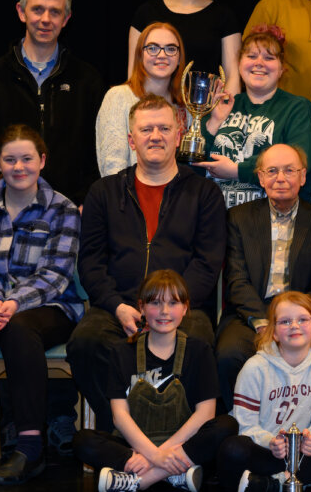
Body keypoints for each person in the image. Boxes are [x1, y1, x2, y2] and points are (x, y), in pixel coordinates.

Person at [69, 95, 226, 430]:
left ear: (179, 133)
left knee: (198, 340)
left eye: (164, 128)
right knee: (85, 342)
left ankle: (178, 442)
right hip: (119, 306)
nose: (156, 135)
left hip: (184, 308)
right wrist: (117, 306)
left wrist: (169, 307)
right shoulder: (103, 192)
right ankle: (124, 434)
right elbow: (91, 263)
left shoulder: (204, 193)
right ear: (132, 139)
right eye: (146, 129)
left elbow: (208, 263)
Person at [0, 125, 83, 486]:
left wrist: (13, 303)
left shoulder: (63, 209)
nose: (19, 166)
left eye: (27, 158)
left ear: (42, 161)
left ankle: (29, 447)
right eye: (10, 159)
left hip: (50, 304)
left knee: (21, 329)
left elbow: (56, 273)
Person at [73, 270, 238, 492]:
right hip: (137, 447)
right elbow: (119, 416)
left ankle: (139, 481)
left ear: (185, 308)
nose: (164, 311)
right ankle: (175, 474)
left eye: (173, 303)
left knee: (227, 425)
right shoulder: (122, 351)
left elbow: (205, 414)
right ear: (141, 307)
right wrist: (154, 454)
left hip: (182, 445)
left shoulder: (199, 350)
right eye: (156, 303)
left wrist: (161, 455)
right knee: (83, 440)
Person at [0, 0, 104, 203]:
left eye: (55, 12)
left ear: (66, 19)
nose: (46, 19)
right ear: (21, 12)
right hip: (5, 216)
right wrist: (5, 203)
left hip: (69, 217)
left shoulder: (87, 81)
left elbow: (97, 156)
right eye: (37, 9)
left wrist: (78, 204)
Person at [218, 144, 311, 407]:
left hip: (302, 314)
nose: (280, 178)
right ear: (260, 177)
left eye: (289, 170)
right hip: (252, 312)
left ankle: (309, 429)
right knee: (229, 354)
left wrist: (298, 320)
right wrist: (262, 322)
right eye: (272, 171)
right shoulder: (238, 218)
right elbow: (236, 280)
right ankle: (239, 427)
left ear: (303, 176)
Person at [219, 292, 311, 492]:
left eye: (302, 320)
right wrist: (270, 442)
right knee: (232, 448)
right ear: (274, 332)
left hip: (307, 452)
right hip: (269, 451)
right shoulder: (255, 367)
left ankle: (274, 483)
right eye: (285, 321)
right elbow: (245, 423)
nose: (294, 326)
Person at [196, 25, 311, 208]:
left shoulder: (297, 108)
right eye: (251, 56)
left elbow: (301, 163)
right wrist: (214, 122)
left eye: (269, 58)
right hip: (216, 216)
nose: (259, 63)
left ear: (281, 69)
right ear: (239, 65)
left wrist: (237, 171)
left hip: (272, 216)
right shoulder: (222, 105)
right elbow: (192, 163)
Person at [127, 0, 241, 97]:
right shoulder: (146, 13)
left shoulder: (225, 16)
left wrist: (222, 115)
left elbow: (233, 76)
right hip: (154, 113)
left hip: (208, 115)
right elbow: (134, 73)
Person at [98, 22, 190, 176]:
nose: (162, 55)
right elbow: (112, 166)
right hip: (130, 197)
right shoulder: (118, 97)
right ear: (140, 55)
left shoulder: (186, 105)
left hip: (179, 196)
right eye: (152, 48)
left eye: (171, 49)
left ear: (179, 57)